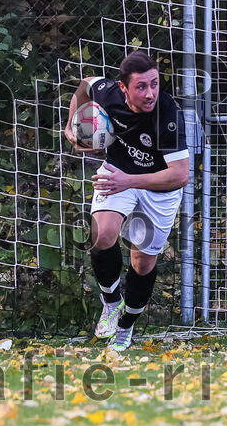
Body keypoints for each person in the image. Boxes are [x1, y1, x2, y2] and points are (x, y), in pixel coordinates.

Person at [64, 50, 189, 351]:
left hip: (160, 189)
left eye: (155, 84)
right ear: (123, 88)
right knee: (102, 234)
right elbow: (86, 84)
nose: (150, 93)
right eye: (141, 87)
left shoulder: (166, 114)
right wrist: (71, 127)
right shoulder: (108, 93)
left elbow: (180, 175)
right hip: (118, 172)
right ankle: (110, 301)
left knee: (142, 262)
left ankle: (126, 326)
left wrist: (129, 182)